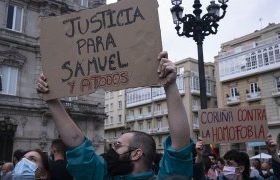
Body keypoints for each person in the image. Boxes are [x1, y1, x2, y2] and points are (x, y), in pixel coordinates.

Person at [36, 51, 197, 179]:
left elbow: (179, 147)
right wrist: (51, 99)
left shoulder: (167, 178)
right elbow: (78, 146)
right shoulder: (103, 176)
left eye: (118, 146)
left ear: (136, 153)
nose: (112, 151)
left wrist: (170, 85)